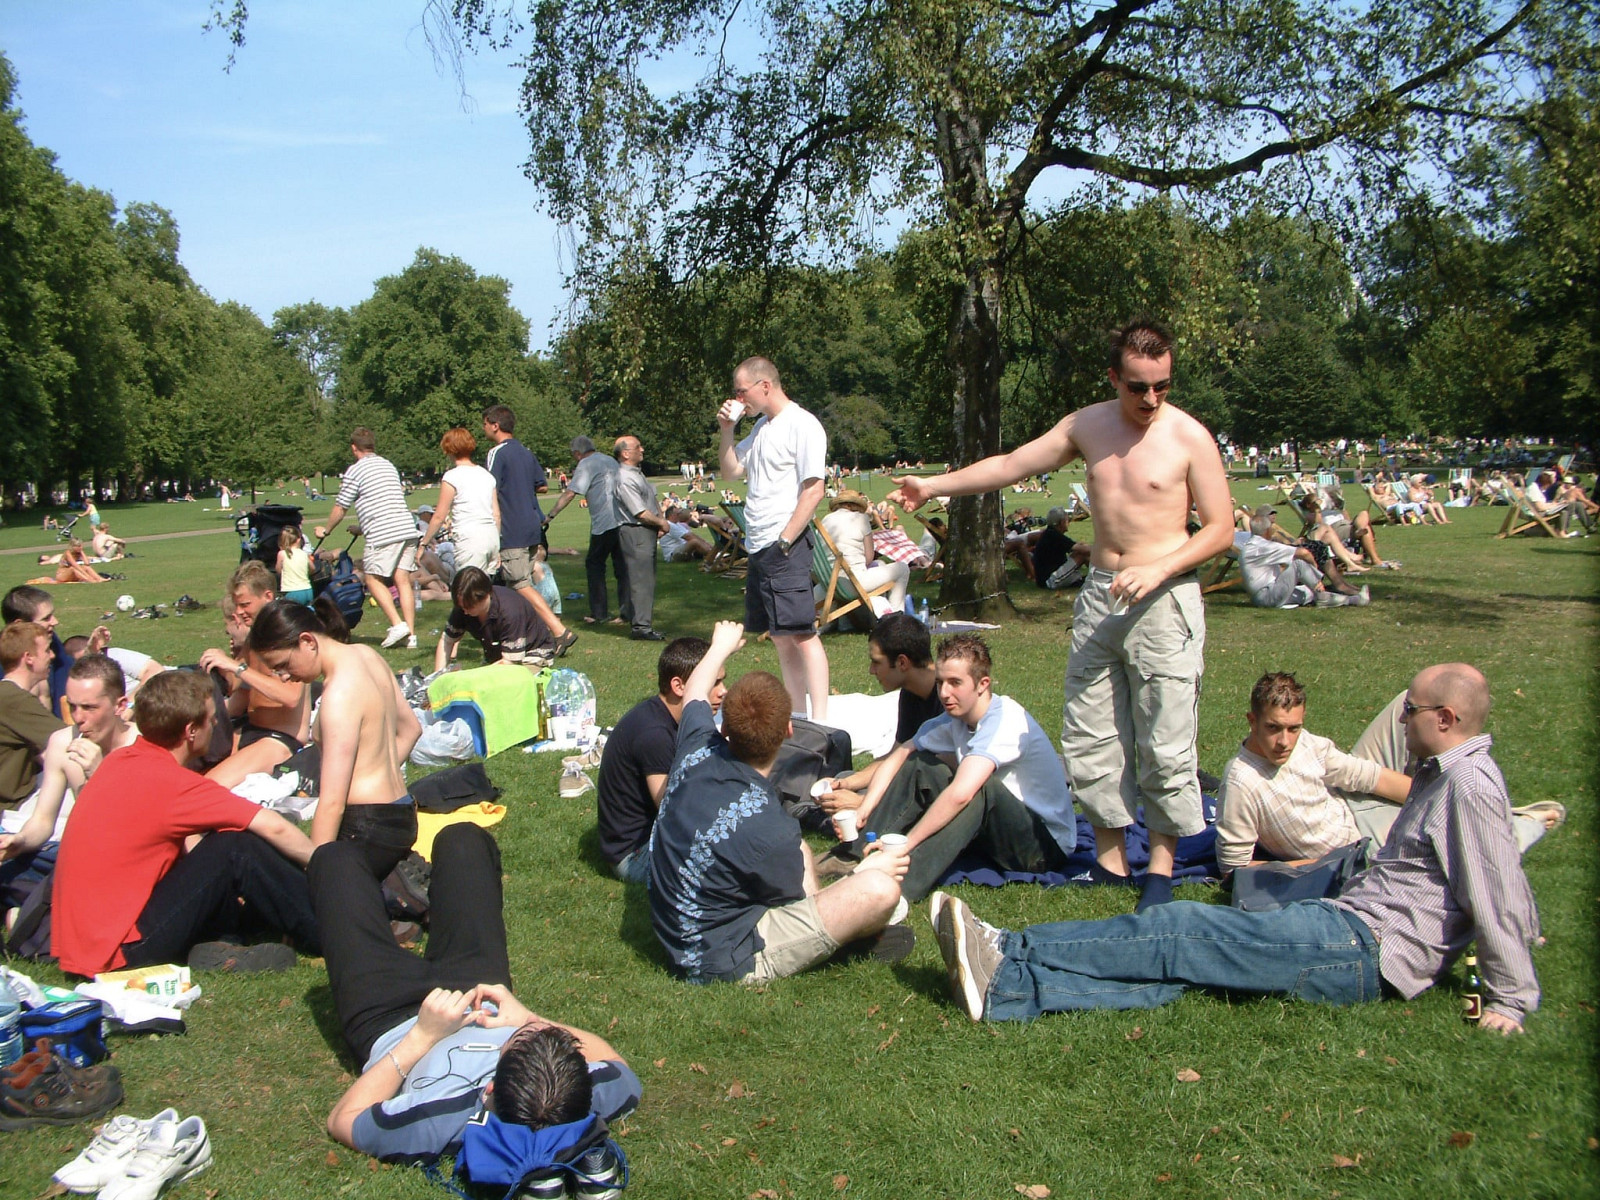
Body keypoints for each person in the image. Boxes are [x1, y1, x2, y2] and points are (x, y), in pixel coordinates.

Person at [932, 664, 1542, 1035]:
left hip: (1361, 947)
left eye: (1410, 710)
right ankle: (1009, 989)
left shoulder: (1468, 785)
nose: (1402, 720)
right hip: (1348, 929)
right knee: (1183, 972)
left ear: (1446, 717)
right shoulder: (1444, 777)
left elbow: (1497, 891)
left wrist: (1510, 999)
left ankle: (1009, 947)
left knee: (1180, 930)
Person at [889, 320, 1234, 910]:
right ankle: (1110, 862)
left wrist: (1159, 568)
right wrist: (933, 485)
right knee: (1092, 730)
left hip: (1165, 597)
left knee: (1165, 734)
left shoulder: (1189, 437)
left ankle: (1159, 868)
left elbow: (1221, 529)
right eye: (1138, 386)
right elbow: (1011, 465)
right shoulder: (1087, 425)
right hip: (1101, 595)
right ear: (1114, 377)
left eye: (1162, 386)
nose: (1151, 398)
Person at [312, 823, 640, 1165]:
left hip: (392, 1018)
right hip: (480, 995)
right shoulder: (577, 1095)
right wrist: (526, 1019)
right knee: (463, 840)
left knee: (334, 860)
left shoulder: (439, 1120)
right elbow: (620, 1068)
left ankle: (398, 899)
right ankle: (413, 898)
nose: (532, 1031)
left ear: (489, 1090)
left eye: (520, 1039)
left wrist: (423, 1036)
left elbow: (343, 1119)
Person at [649, 622, 911, 984]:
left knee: (800, 850)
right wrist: (866, 873)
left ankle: (856, 928)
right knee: (881, 891)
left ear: (723, 728)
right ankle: (854, 938)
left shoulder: (696, 746)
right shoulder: (767, 825)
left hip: (673, 924)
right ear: (789, 731)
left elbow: (695, 690)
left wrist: (720, 646)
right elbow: (799, 906)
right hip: (720, 957)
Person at [51, 669, 321, 977]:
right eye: (211, 719)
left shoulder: (119, 761)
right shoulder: (172, 783)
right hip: (118, 953)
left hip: (87, 946)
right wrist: (324, 869)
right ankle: (332, 927)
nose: (216, 724)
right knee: (235, 847)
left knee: (218, 852)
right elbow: (273, 826)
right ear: (191, 730)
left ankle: (222, 941)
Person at [836, 635, 1075, 901]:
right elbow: (900, 754)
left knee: (978, 788)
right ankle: (855, 855)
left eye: (955, 683)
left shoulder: (1005, 720)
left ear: (983, 684)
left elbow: (961, 794)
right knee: (922, 765)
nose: (944, 693)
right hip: (997, 833)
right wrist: (864, 809)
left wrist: (907, 843)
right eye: (940, 682)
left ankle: (899, 887)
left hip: (1042, 847)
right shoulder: (954, 720)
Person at [249, 600, 422, 879]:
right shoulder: (366, 655)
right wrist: (377, 770)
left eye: (283, 665)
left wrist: (318, 873)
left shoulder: (338, 694)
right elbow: (412, 729)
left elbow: (332, 803)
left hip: (366, 826)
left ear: (307, 641)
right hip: (403, 812)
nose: (284, 677)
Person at [717, 357, 831, 719]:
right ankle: (797, 715)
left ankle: (821, 720)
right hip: (759, 544)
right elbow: (731, 472)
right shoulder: (761, 428)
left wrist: (785, 540)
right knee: (780, 636)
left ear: (764, 385)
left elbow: (814, 489)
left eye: (741, 391)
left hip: (785, 545)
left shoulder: (803, 424)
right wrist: (726, 430)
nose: (738, 398)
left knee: (802, 634)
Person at [1215, 672, 1413, 872]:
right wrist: (1323, 864)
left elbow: (1366, 776)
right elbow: (1233, 869)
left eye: (1294, 728)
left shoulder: (1306, 742)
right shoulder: (1240, 782)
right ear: (1252, 721)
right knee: (1426, 829)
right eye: (1273, 728)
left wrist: (1424, 796)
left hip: (1350, 800)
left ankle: (1431, 794)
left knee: (1411, 701)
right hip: (1362, 844)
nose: (1284, 742)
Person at [1, 655, 138, 929]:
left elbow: (134, 831)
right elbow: (43, 821)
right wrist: (20, 840)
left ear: (120, 705)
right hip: (72, 853)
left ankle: (37, 913)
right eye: (72, 706)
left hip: (124, 864)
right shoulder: (63, 742)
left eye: (89, 708)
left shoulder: (141, 746)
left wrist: (98, 774)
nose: (78, 718)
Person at [595, 637, 724, 883]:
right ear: (679, 686)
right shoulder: (654, 734)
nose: (723, 691)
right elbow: (673, 811)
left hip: (653, 838)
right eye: (714, 682)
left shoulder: (664, 715)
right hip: (636, 854)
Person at [811, 613, 945, 822]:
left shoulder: (948, 699)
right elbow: (896, 756)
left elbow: (940, 783)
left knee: (852, 803)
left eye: (876, 662)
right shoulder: (911, 693)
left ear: (902, 662)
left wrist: (863, 803)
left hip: (936, 795)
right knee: (843, 779)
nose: (871, 670)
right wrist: (846, 784)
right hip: (907, 781)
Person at [197, 561, 314, 788]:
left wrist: (236, 667)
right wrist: (223, 665)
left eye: (245, 605)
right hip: (250, 728)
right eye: (237, 605)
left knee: (210, 786)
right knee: (195, 768)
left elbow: (290, 697)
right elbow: (239, 689)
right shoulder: (255, 636)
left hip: (279, 738)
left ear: (268, 596)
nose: (239, 612)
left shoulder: (287, 634)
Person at [481, 406, 578, 655]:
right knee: (517, 582)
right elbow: (542, 485)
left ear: (495, 425)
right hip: (532, 524)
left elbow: (488, 487)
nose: (483, 429)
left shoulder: (496, 453)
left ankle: (559, 631)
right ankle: (522, 632)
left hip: (511, 527)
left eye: (485, 424)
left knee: (519, 584)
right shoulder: (526, 452)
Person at [316, 428, 421, 650]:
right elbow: (384, 502)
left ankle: (397, 624)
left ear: (354, 448)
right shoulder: (388, 465)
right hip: (406, 527)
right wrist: (361, 528)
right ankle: (411, 635)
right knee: (402, 579)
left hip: (383, 533)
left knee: (372, 579)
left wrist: (326, 530)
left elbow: (341, 507)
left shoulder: (355, 470)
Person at [545, 436, 628, 627]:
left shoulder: (586, 464)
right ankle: (627, 612)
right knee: (622, 567)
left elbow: (570, 493)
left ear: (577, 453)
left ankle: (599, 613)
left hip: (604, 521)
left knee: (594, 565)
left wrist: (551, 515)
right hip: (622, 518)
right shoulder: (609, 460)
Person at [434, 566, 556, 673]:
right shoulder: (463, 608)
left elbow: (510, 663)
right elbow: (446, 641)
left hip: (532, 655)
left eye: (469, 606)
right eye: (462, 607)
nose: (465, 611)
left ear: (485, 595)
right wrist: (437, 678)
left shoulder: (510, 611)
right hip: (500, 658)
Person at [1239, 509, 1368, 609]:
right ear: (1267, 530)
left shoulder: (1252, 546)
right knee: (1299, 564)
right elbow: (1302, 553)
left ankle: (1355, 600)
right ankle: (1322, 592)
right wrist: (1314, 572)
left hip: (1265, 595)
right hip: (1267, 596)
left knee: (1310, 593)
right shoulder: (1262, 546)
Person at [0, 623, 66, 807]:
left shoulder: (8, 695)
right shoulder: (14, 699)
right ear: (28, 658)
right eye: (46, 651)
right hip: (13, 807)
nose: (52, 656)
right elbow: (68, 739)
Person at [613, 435, 670, 641]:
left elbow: (650, 500)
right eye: (638, 447)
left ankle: (637, 620)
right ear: (625, 453)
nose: (642, 449)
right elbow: (640, 512)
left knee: (644, 578)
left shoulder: (636, 473)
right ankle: (641, 627)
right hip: (635, 531)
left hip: (645, 530)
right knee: (641, 580)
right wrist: (661, 522)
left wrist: (660, 520)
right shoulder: (625, 478)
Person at [421, 427, 501, 575]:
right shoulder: (487, 475)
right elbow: (496, 515)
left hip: (470, 539)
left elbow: (439, 516)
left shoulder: (451, 477)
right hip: (491, 537)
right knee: (485, 585)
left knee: (467, 585)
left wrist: (424, 543)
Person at [820, 489, 910, 615]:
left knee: (880, 564)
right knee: (902, 569)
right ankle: (896, 617)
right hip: (853, 583)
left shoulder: (826, 520)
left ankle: (878, 614)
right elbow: (869, 557)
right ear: (854, 505)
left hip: (830, 582)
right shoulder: (861, 518)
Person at [5, 586, 73, 717]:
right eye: (46, 618)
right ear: (20, 624)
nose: (55, 622)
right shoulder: (6, 660)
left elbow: (68, 677)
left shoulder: (51, 641)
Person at [1029, 506, 1091, 589]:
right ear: (1062, 522)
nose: (1069, 523)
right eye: (1068, 520)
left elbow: (1076, 547)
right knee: (1082, 554)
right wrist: (1102, 550)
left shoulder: (1050, 533)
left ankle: (1098, 576)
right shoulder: (1054, 536)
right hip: (1049, 581)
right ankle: (1100, 576)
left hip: (1048, 577)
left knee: (1082, 549)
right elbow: (1084, 550)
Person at [276, 524, 315, 605]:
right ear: (298, 540)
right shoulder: (304, 553)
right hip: (307, 589)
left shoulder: (282, 554)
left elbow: (278, 570)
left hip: (292, 591)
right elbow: (312, 568)